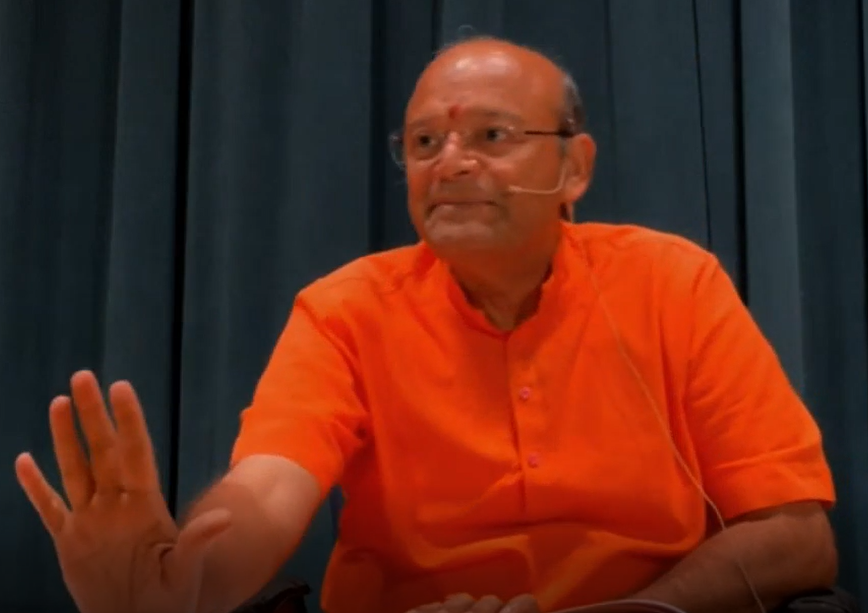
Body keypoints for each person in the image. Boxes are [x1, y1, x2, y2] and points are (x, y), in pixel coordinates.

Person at [15, 36, 838, 613]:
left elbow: (796, 538)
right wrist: (181, 583)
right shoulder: (345, 308)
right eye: (423, 141)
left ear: (573, 167)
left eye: (491, 135)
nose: (450, 162)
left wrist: (641, 611)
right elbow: (267, 489)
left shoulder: (673, 281)